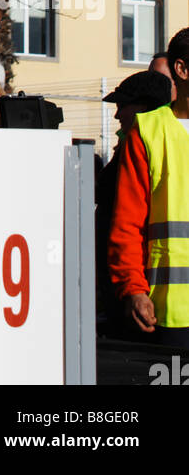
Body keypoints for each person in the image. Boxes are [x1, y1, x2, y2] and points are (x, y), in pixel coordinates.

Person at [108, 28, 189, 348]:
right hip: (171, 315)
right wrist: (134, 289)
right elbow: (126, 222)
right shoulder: (149, 130)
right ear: (182, 70)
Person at [94, 69, 172, 336]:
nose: (116, 115)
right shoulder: (130, 144)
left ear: (145, 108)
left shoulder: (150, 146)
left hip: (143, 296)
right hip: (133, 289)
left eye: (122, 106)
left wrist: (133, 289)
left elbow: (126, 220)